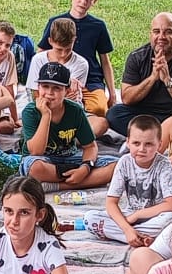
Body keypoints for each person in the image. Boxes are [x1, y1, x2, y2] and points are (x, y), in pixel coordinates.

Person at [88, 115, 172, 246]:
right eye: (136, 143)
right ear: (128, 142)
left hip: (155, 216)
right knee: (90, 219)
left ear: (159, 144)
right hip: (130, 216)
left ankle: (130, 236)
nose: (142, 149)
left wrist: (137, 215)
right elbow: (111, 203)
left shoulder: (164, 165)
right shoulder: (124, 162)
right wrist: (127, 229)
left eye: (148, 144)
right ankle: (139, 237)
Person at [41, 0, 116, 131]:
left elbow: (105, 60)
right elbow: (42, 53)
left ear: (94, 1)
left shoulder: (98, 26)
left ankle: (80, 130)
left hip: (90, 81)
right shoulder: (56, 22)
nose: (83, 2)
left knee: (99, 110)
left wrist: (112, 93)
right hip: (60, 79)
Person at [105, 12, 172, 138]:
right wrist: (152, 78)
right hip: (143, 112)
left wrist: (167, 80)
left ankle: (145, 135)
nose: (161, 37)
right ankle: (160, 135)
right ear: (151, 34)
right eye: (156, 31)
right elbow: (127, 98)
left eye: (168, 32)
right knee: (114, 114)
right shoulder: (137, 57)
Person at [22, 62, 111, 190]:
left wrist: (85, 168)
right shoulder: (30, 112)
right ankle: (81, 181)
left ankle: (57, 185)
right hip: (43, 160)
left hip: (70, 158)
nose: (49, 93)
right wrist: (46, 115)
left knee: (114, 166)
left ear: (67, 91)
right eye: (45, 86)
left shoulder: (75, 110)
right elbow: (36, 151)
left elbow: (90, 146)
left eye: (56, 88)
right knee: (34, 168)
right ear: (38, 87)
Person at [23, 17, 89, 111]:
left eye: (68, 49)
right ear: (50, 41)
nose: (63, 54)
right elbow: (34, 93)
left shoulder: (81, 64)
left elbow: (71, 97)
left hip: (69, 109)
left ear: (74, 40)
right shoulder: (38, 59)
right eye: (59, 49)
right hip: (41, 108)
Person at [0, 20, 22, 96]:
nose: (3, 48)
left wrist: (11, 102)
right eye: (0, 43)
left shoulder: (9, 57)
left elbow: (9, 87)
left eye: (7, 45)